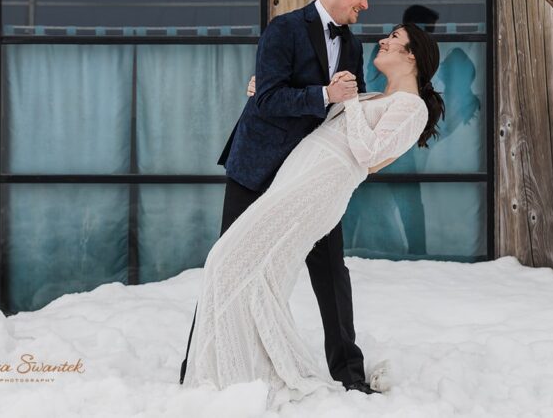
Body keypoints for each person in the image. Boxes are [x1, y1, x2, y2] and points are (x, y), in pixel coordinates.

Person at [182, 23, 444, 409]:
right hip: (297, 180)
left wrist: (351, 103)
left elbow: (370, 155)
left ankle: (247, 371)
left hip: (316, 190)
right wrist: (267, 91)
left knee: (227, 259)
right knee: (258, 273)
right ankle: (240, 370)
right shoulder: (376, 96)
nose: (384, 41)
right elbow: (317, 115)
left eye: (394, 38)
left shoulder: (411, 107)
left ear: (412, 56)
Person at [178, 0, 377, 390]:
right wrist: (323, 93)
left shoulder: (353, 43)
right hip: (258, 166)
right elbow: (266, 99)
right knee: (227, 263)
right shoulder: (284, 29)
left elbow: (346, 106)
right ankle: (195, 369)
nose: (364, 5)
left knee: (330, 269)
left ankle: (349, 375)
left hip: (311, 174)